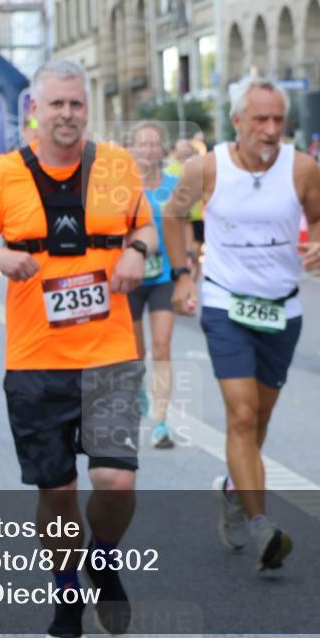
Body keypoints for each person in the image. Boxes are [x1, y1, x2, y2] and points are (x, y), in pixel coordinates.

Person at [0, 59, 156, 638]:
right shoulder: (2, 174)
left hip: (110, 354)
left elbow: (144, 229)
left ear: (85, 109)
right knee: (59, 489)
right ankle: (67, 587)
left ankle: (101, 556)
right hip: (36, 359)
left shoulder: (117, 166)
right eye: (57, 105)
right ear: (35, 112)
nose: (67, 114)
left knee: (116, 482)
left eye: (76, 104)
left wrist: (136, 253)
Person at [163, 76, 320, 573]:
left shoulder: (302, 168)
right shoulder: (206, 167)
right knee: (240, 414)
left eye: (278, 119)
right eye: (260, 119)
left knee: (258, 418)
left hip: (282, 308)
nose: (271, 128)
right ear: (237, 121)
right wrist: (181, 276)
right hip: (225, 303)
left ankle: (235, 490)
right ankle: (262, 527)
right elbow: (174, 217)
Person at [127, 122, 180, 448]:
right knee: (136, 352)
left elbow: (186, 229)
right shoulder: (122, 187)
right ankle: (138, 388)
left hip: (164, 276)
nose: (148, 149)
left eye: (153, 144)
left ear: (161, 149)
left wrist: (188, 271)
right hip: (131, 277)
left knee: (161, 346)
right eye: (142, 144)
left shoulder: (174, 185)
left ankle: (160, 422)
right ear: (132, 148)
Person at [165, 138, 203, 280]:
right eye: (181, 148)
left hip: (196, 216)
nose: (184, 151)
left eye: (186, 147)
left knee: (195, 253)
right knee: (181, 250)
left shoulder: (199, 167)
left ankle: (193, 281)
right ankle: (184, 279)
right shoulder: (169, 170)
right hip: (179, 217)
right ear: (176, 151)